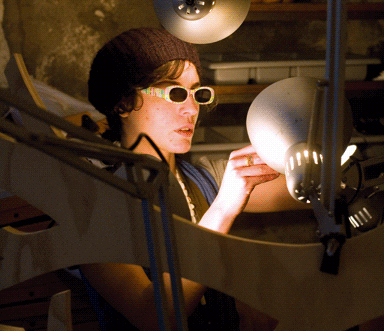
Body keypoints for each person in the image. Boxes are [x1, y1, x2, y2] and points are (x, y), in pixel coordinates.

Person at [79, 27, 305, 331]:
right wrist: (223, 208)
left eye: (197, 93)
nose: (190, 109)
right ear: (122, 102)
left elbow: (308, 187)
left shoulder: (199, 180)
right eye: (173, 93)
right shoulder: (93, 208)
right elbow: (159, 317)